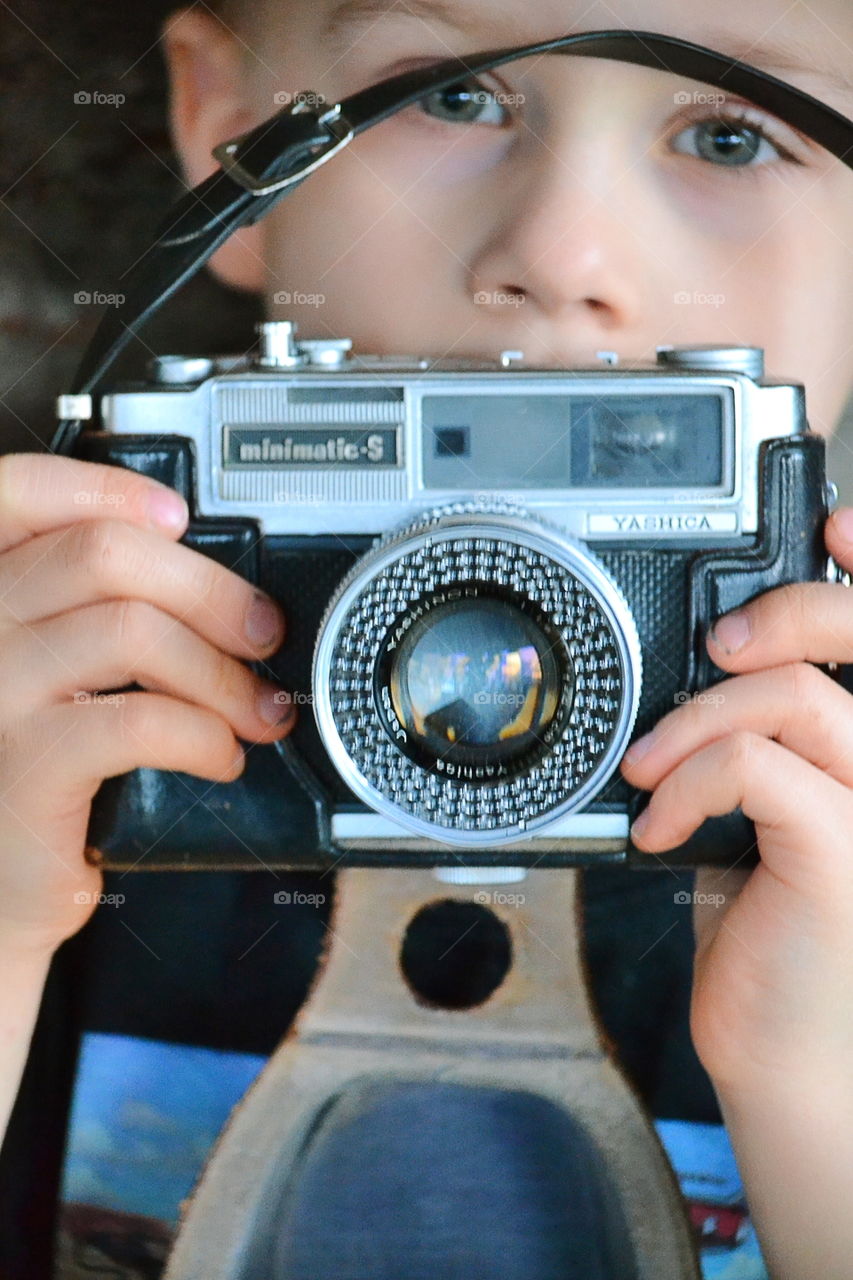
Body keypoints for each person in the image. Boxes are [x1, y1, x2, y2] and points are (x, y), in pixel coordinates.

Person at [1, 0, 852, 1275]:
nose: (563, 254)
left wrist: (822, 1084)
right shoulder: (64, 704)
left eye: (732, 138)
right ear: (236, 132)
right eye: (449, 96)